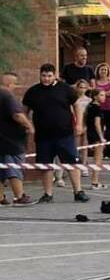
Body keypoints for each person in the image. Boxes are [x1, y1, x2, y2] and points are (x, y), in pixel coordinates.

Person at [22, 64, 87, 203]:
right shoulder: (33, 92)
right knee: (46, 166)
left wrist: (79, 124)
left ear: (54, 75)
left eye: (49, 76)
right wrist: (27, 125)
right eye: (44, 76)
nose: (46, 79)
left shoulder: (65, 89)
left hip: (65, 134)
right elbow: (24, 111)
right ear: (40, 75)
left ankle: (78, 191)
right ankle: (48, 194)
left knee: (71, 163)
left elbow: (77, 105)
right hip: (43, 136)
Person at [0, 72, 33, 205]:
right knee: (14, 168)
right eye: (15, 84)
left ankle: (1, 197)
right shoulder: (7, 96)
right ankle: (19, 196)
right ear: (10, 84)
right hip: (11, 141)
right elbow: (17, 115)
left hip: (1, 140)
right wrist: (30, 126)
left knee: (1, 170)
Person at [85, 89, 108, 190]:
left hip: (91, 134)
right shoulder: (96, 108)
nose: (104, 97)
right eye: (102, 95)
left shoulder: (90, 106)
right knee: (98, 159)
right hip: (96, 135)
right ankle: (94, 182)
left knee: (97, 158)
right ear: (95, 97)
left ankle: (95, 181)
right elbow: (97, 123)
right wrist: (101, 137)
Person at [94, 62, 110, 139]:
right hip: (98, 108)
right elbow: (94, 93)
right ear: (98, 71)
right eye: (102, 70)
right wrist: (106, 93)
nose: (104, 71)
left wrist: (100, 93)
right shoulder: (95, 81)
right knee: (99, 128)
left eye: (105, 70)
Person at [73, 79, 91, 154]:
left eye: (84, 87)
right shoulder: (74, 99)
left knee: (85, 143)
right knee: (76, 143)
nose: (82, 89)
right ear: (77, 88)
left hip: (86, 122)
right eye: (80, 87)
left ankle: (84, 161)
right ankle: (76, 158)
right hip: (76, 121)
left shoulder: (89, 100)